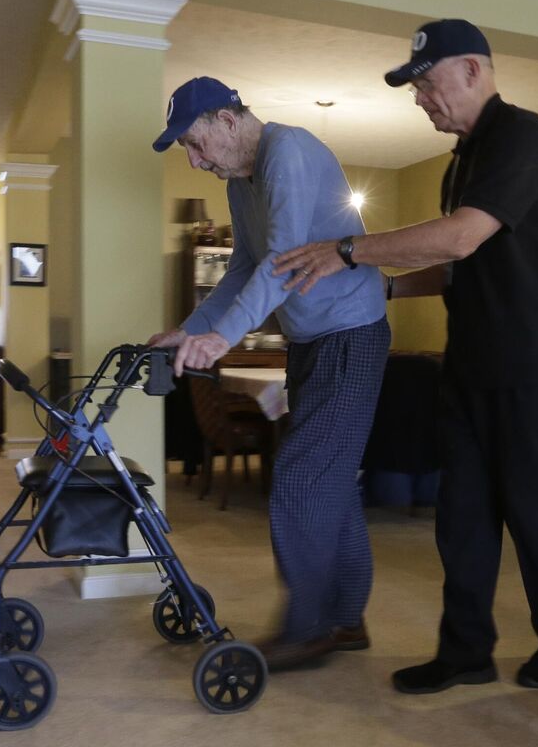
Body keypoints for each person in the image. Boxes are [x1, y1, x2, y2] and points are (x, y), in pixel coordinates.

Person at [273, 18, 538, 694]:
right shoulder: (462, 161)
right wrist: (376, 287)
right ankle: (465, 651)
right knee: (462, 521)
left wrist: (349, 250)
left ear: (473, 70)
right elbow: (452, 269)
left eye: (426, 81)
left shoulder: (523, 136)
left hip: (535, 371)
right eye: (415, 86)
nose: (419, 98)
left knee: (535, 516)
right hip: (470, 369)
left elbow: (459, 240)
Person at [147, 76, 390, 670]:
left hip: (351, 334)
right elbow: (243, 269)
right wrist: (191, 327)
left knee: (303, 478)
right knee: (329, 482)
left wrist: (222, 339)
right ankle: (345, 619)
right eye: (186, 152)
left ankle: (307, 628)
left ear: (229, 121)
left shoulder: (290, 152)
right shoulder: (241, 184)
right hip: (311, 340)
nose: (196, 160)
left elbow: (281, 263)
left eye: (197, 144)